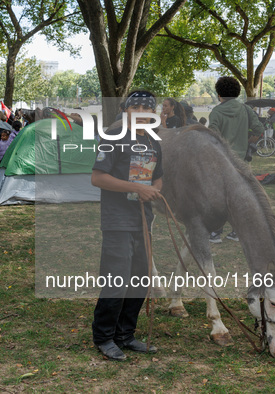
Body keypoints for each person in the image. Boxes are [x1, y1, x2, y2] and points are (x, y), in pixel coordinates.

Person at [91, 90, 162, 361]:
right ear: (126, 111)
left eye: (147, 108)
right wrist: (134, 187)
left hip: (143, 219)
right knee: (117, 279)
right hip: (117, 220)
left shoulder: (154, 141)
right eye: (137, 107)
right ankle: (104, 337)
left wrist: (154, 189)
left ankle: (125, 334)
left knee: (140, 278)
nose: (142, 112)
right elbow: (98, 178)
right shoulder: (113, 138)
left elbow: (159, 177)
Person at [208, 76, 264, 243]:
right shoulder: (246, 110)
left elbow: (212, 136)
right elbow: (259, 128)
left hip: (221, 160)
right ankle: (237, 231)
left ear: (219, 94)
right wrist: (249, 141)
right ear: (238, 92)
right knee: (239, 196)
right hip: (241, 160)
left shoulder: (216, 112)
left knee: (219, 197)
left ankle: (216, 232)